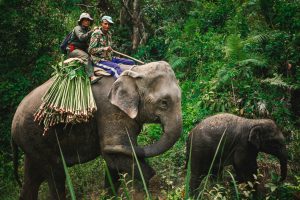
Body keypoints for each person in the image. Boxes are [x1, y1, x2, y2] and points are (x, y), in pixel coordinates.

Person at [68, 12, 95, 79]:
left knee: (94, 55)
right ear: (81, 21)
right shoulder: (77, 28)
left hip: (82, 49)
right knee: (86, 57)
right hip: (73, 50)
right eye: (85, 20)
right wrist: (91, 31)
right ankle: (91, 77)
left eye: (88, 20)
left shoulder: (87, 30)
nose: (87, 22)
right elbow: (81, 38)